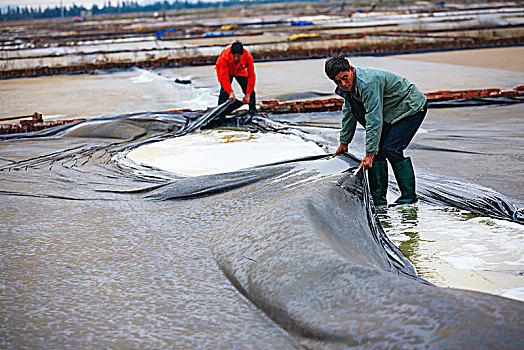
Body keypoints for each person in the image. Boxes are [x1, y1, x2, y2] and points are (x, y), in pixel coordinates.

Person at [325, 55, 427, 206]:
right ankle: (378, 199)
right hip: (391, 111)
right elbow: (348, 113)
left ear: (351, 70)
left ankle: (409, 196)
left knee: (392, 149)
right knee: (378, 151)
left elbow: (374, 118)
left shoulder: (368, 83)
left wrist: (369, 153)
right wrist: (344, 142)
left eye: (345, 78)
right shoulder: (347, 89)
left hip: (410, 107)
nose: (343, 83)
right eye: (338, 81)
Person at [216, 41, 257, 115]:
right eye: (234, 56)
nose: (236, 58)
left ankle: (252, 110)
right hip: (226, 70)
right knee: (224, 92)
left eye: (238, 56)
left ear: (242, 54)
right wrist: (230, 92)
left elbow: (251, 75)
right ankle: (220, 113)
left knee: (250, 91)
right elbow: (224, 77)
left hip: (239, 69)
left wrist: (248, 94)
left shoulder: (247, 56)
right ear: (231, 54)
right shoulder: (224, 56)